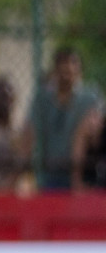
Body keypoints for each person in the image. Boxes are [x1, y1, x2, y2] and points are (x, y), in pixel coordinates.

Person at [26, 47, 103, 192]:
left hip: (83, 175)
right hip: (49, 173)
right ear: (55, 70)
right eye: (63, 69)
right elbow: (30, 133)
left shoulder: (91, 97)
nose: (67, 74)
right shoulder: (42, 99)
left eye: (71, 68)